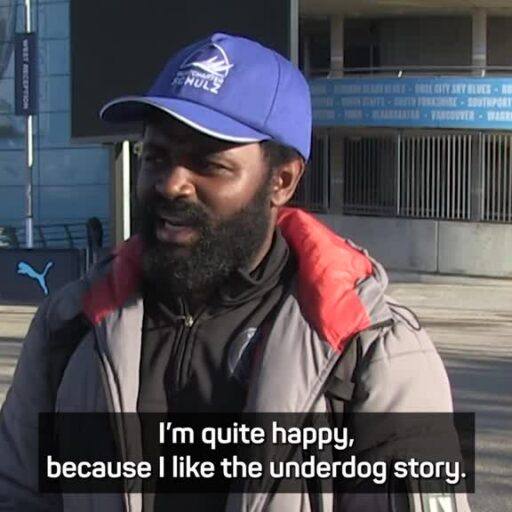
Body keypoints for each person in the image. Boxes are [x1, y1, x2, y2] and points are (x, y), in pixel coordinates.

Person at [0, 33, 471, 512]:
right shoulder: (70, 328)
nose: (172, 184)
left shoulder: (372, 351)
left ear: (282, 180)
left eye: (209, 164)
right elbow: (15, 495)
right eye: (156, 157)